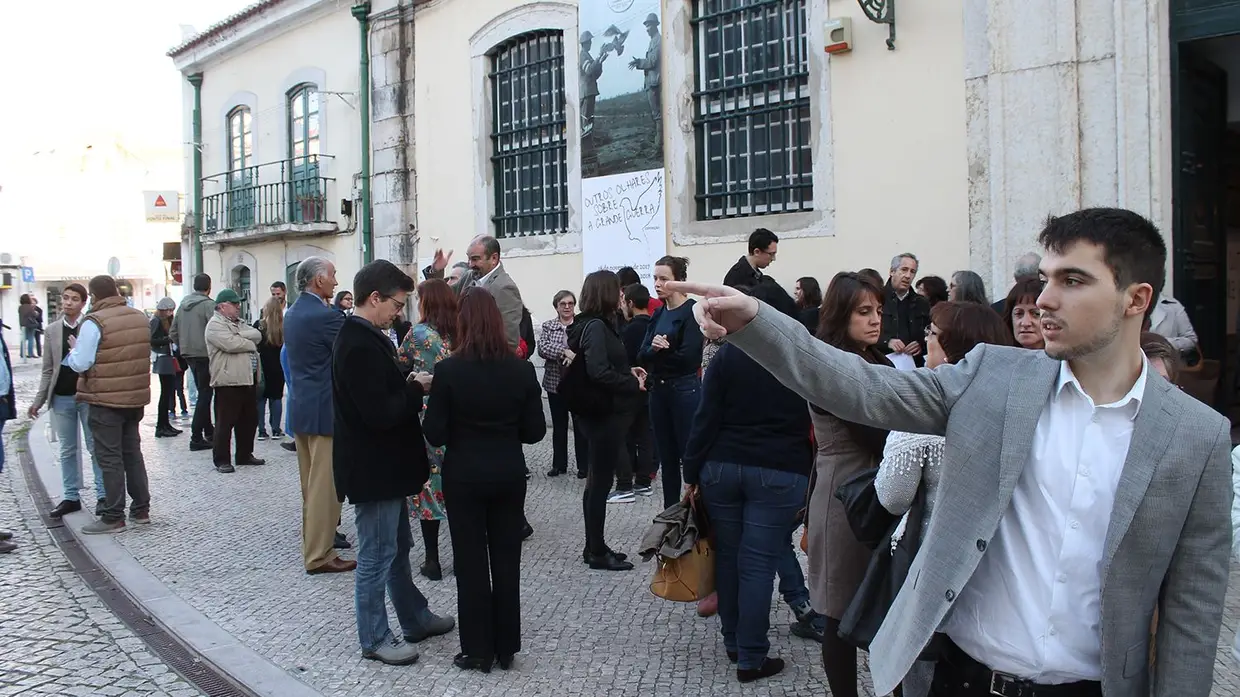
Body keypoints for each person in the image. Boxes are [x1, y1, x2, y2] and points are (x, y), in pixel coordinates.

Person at [669, 207, 1233, 697]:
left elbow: (1192, 609)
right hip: (959, 678)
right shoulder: (994, 375)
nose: (1044, 301)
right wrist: (758, 323)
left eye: (1074, 281)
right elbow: (862, 388)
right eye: (1045, 279)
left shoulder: (1196, 436)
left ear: (1136, 299)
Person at [874, 301, 1012, 697]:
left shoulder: (925, 412)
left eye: (932, 334)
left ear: (953, 347)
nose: (925, 340)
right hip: (1000, 566)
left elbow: (893, 496)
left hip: (934, 561)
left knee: (924, 662)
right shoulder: (1012, 406)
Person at [682, 281, 813, 684]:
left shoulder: (728, 357)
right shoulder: (798, 359)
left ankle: (735, 641)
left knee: (729, 556)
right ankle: (752, 657)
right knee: (758, 564)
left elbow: (705, 418)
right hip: (779, 469)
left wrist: (690, 473)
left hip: (722, 466)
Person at [332, 260, 455, 666]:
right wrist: (414, 388)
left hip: (386, 467)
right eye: (397, 304)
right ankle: (375, 637)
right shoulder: (357, 343)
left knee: (398, 546)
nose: (400, 312)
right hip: (374, 469)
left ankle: (414, 617)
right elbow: (379, 413)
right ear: (375, 298)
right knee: (377, 554)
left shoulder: (369, 336)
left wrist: (405, 381)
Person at [423, 287, 546, 672]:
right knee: (507, 560)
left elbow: (435, 432)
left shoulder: (448, 371)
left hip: (464, 475)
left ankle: (477, 648)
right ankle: (507, 645)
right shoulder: (521, 369)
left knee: (470, 562)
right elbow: (535, 431)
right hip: (508, 472)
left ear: (462, 324)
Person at [569, 270, 645, 571]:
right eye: (618, 291)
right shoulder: (597, 327)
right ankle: (598, 552)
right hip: (603, 414)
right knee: (599, 484)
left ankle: (593, 546)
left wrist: (629, 373)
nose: (622, 296)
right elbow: (598, 371)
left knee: (595, 482)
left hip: (598, 413)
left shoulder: (591, 324)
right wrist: (630, 383)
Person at [66, 276, 153, 535]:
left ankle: (113, 515)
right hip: (134, 398)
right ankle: (141, 509)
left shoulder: (94, 322)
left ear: (93, 296)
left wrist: (73, 351)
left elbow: (81, 363)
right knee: (133, 454)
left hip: (105, 400)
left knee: (110, 458)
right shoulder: (139, 317)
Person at [285, 257, 354, 575]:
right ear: (318, 281)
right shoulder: (327, 317)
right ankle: (319, 554)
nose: (336, 281)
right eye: (333, 275)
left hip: (302, 407)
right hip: (325, 410)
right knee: (325, 489)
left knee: (310, 488)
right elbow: (348, 355)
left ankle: (314, 548)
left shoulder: (294, 312)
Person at [396, 279, 457, 581]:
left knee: (430, 485)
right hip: (457, 414)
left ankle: (432, 559)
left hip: (427, 415)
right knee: (457, 483)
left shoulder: (419, 334)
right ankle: (462, 555)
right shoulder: (461, 332)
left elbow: (400, 361)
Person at [29, 283, 104, 517]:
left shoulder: (91, 327)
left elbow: (97, 362)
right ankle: (71, 497)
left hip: (87, 395)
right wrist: (39, 400)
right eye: (65, 298)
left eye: (74, 299)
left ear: (83, 303)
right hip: (62, 397)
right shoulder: (52, 330)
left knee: (95, 446)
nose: (68, 302)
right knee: (67, 449)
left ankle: (103, 495)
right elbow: (48, 369)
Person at [638, 256, 704, 509]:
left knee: (689, 455)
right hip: (659, 390)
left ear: (679, 281)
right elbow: (642, 353)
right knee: (666, 457)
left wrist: (660, 353)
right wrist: (656, 350)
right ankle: (669, 513)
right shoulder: (658, 313)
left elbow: (689, 358)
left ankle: (695, 512)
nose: (657, 284)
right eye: (655, 278)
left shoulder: (692, 311)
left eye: (664, 279)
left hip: (684, 390)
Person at [425, 237, 525, 353]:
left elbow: (509, 340)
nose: (470, 264)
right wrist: (436, 272)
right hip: (463, 356)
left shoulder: (505, 288)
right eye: (469, 259)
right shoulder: (469, 276)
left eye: (475, 259)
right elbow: (444, 298)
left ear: (494, 258)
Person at [205, 289, 265, 474]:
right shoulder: (214, 325)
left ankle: (244, 454)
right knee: (225, 422)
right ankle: (222, 459)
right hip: (227, 380)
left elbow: (258, 334)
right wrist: (246, 341)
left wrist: (240, 336)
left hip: (247, 378)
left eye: (238, 303)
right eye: (234, 304)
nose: (238, 307)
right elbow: (231, 344)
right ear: (222, 306)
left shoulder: (238, 323)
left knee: (249, 420)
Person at [538, 290, 590, 478]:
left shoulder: (582, 325)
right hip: (555, 383)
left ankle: (584, 465)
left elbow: (585, 349)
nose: (567, 307)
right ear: (556, 306)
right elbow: (543, 348)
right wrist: (565, 352)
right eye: (563, 304)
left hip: (577, 384)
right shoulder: (548, 326)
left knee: (579, 427)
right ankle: (559, 465)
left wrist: (574, 356)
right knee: (559, 427)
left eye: (570, 303)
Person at [617, 283, 656, 500]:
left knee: (625, 435)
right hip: (650, 386)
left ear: (630, 303)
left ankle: (626, 481)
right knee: (645, 435)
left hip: (632, 387)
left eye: (624, 302)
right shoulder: (654, 324)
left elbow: (626, 359)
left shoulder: (630, 329)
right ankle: (643, 480)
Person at [172, 273, 217, 451]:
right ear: (209, 287)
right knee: (205, 395)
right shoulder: (208, 305)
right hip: (205, 354)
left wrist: (184, 345)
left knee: (202, 393)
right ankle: (196, 437)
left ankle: (208, 431)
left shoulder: (182, 306)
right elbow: (215, 330)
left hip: (188, 353)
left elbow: (173, 331)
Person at [880, 253, 931, 367]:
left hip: (914, 366)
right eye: (904, 270)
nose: (908, 276)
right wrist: (887, 342)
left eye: (912, 272)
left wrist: (921, 345)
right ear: (892, 271)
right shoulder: (878, 298)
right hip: (883, 364)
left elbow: (930, 332)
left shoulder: (921, 302)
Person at [149, 298, 183, 438]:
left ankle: (165, 424)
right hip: (162, 358)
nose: (170, 313)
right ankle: (161, 426)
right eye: (168, 310)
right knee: (165, 393)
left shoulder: (167, 320)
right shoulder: (156, 320)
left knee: (169, 391)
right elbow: (151, 340)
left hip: (168, 357)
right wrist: (168, 339)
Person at [628, 13, 662, 151]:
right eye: (646, 26)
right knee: (656, 115)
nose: (647, 28)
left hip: (655, 83)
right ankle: (658, 143)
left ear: (655, 25)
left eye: (649, 25)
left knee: (657, 115)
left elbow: (652, 61)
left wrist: (639, 62)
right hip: (651, 82)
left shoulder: (658, 40)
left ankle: (659, 146)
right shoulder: (653, 40)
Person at [254, 297, 286, 440]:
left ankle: (261, 430)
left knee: (261, 398)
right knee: (276, 397)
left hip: (262, 366)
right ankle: (276, 429)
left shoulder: (258, 325)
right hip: (278, 366)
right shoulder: (283, 326)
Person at [1002, 278, 1045, 350]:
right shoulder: (999, 358)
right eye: (1019, 313)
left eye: (1036, 314)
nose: (1025, 323)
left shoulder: (1065, 359)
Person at [18, 293, 39, 359]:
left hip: (22, 325)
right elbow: (34, 315)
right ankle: (30, 354)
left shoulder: (20, 307)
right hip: (30, 325)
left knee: (23, 339)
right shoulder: (30, 307)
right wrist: (36, 313)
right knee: (31, 339)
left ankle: (22, 353)